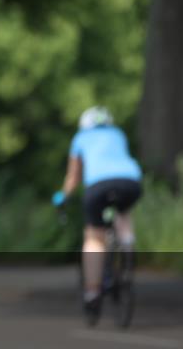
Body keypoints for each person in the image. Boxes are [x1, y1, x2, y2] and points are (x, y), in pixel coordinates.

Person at [52, 106, 142, 319]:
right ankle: (127, 243)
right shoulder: (118, 133)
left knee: (94, 236)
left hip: (98, 186)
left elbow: (73, 178)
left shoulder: (80, 138)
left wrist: (63, 196)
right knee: (123, 213)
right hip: (130, 182)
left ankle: (92, 292)